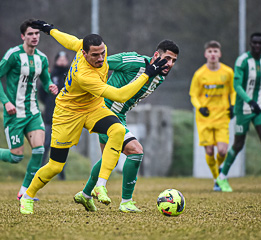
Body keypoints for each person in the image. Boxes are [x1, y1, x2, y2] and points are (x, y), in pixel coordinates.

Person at [19, 20, 168, 214]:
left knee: (117, 129)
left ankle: (100, 185)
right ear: (84, 54)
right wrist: (146, 74)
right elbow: (121, 95)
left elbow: (69, 40)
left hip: (93, 107)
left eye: (103, 53)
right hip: (68, 113)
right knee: (55, 166)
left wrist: (50, 30)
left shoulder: (89, 48)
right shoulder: (85, 76)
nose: (100, 59)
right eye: (95, 55)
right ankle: (28, 196)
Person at [75, 40, 179, 213]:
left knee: (108, 160)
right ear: (155, 55)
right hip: (103, 112)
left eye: (174, 61)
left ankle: (85, 195)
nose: (170, 64)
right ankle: (126, 202)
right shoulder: (134, 61)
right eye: (167, 58)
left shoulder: (159, 77)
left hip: (118, 116)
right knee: (136, 151)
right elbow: (102, 63)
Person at [0, 19, 58, 200]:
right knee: (16, 157)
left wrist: (51, 86)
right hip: (14, 113)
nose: (35, 37)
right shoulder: (13, 55)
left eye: (37, 33)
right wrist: (6, 102)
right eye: (30, 34)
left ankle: (24, 191)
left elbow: (45, 80)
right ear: (23, 36)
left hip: (33, 112)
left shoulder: (42, 58)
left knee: (39, 150)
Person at [216, 32, 261, 192]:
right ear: (250, 44)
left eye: (260, 43)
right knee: (238, 144)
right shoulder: (242, 61)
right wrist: (250, 102)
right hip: (243, 109)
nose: (257, 46)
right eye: (255, 43)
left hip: (260, 109)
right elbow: (237, 86)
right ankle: (222, 177)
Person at [189, 41, 236, 191]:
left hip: (222, 116)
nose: (213, 54)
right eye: (210, 51)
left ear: (220, 54)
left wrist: (233, 105)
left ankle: (219, 174)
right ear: (205, 54)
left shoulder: (228, 72)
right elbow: (193, 95)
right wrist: (200, 107)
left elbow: (233, 91)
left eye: (215, 51)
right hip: (205, 118)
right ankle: (218, 178)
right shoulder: (199, 74)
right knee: (209, 151)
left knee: (222, 151)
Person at [38, 51, 70, 180]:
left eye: (64, 59)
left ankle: (61, 173)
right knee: (46, 144)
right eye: (60, 58)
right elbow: (42, 93)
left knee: (63, 144)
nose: (62, 61)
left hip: (66, 117)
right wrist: (49, 103)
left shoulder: (70, 75)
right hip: (50, 116)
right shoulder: (50, 76)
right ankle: (40, 169)